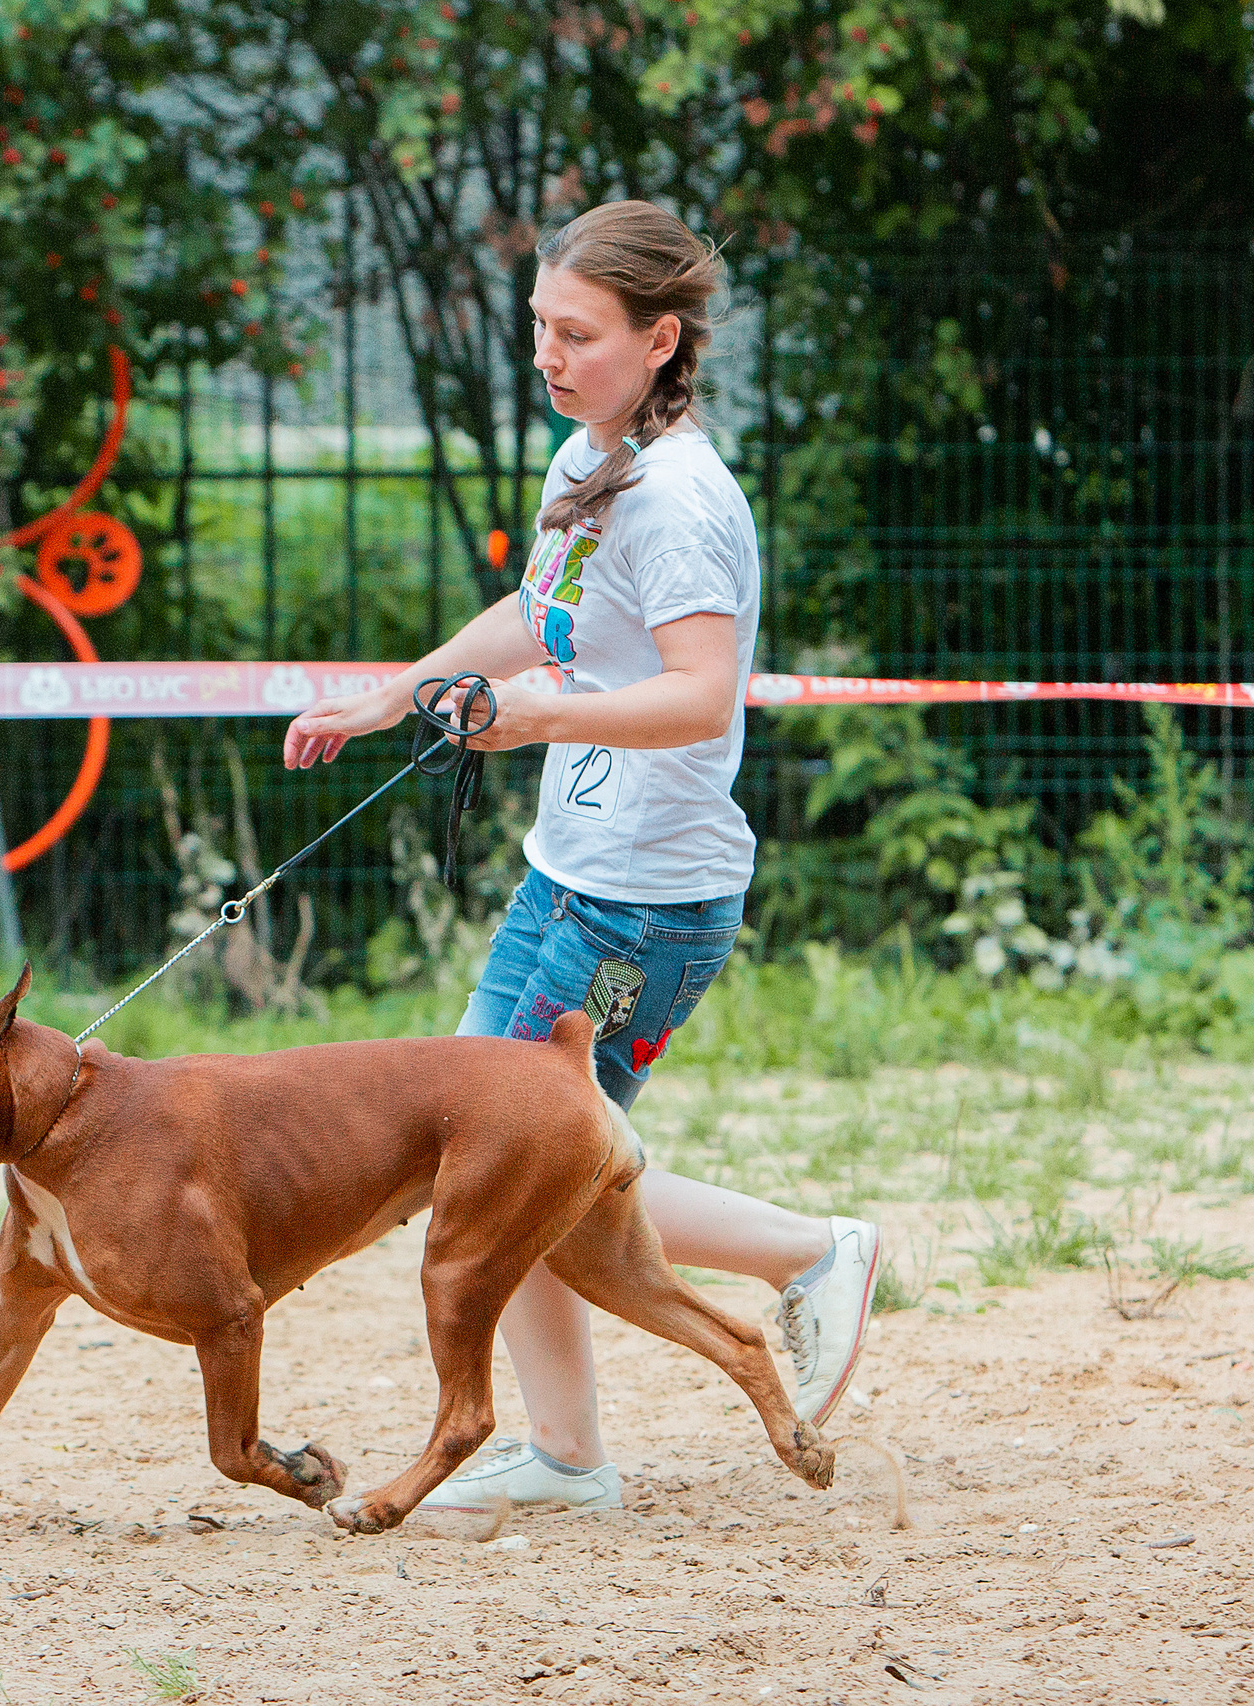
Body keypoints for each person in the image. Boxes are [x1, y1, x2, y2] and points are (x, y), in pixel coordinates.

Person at [282, 200, 881, 1514]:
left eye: (577, 333)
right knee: (503, 1161)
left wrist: (546, 713)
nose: (547, 355)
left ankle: (808, 1252)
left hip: (643, 921)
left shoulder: (683, 502)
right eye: (539, 328)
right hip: (567, 875)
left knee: (529, 1157)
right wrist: (393, 693)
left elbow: (702, 694)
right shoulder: (586, 461)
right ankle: (565, 1453)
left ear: (660, 339)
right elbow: (536, 611)